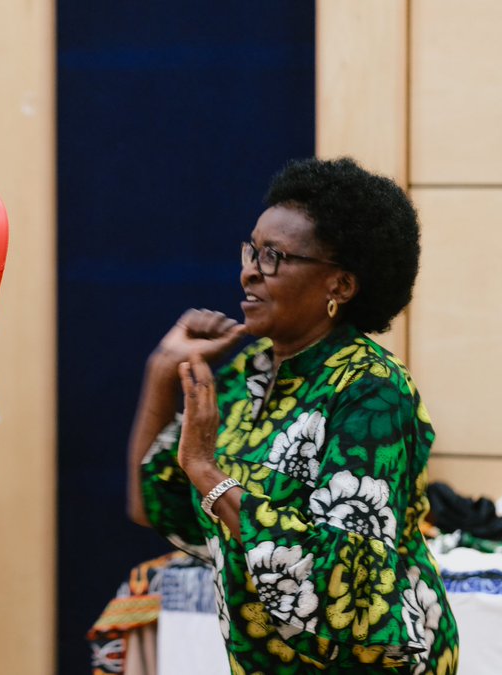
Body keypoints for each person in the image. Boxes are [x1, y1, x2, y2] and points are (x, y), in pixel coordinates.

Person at [127, 157, 459, 674]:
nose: (250, 270)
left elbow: (344, 591)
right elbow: (154, 507)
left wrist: (207, 473)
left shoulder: (372, 393)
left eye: (275, 256)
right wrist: (162, 371)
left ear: (340, 286)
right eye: (252, 250)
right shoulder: (250, 375)